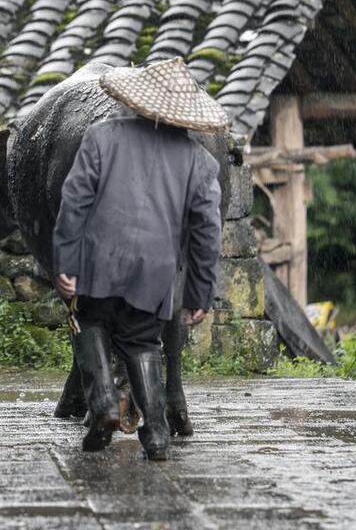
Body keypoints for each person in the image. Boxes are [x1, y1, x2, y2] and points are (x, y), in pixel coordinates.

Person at [53, 57, 225, 460]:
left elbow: (74, 202)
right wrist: (200, 293)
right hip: (155, 274)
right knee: (143, 342)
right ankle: (158, 435)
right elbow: (206, 232)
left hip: (98, 263)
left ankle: (105, 407)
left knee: (87, 322)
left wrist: (66, 261)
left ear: (138, 100)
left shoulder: (100, 137)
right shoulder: (202, 162)